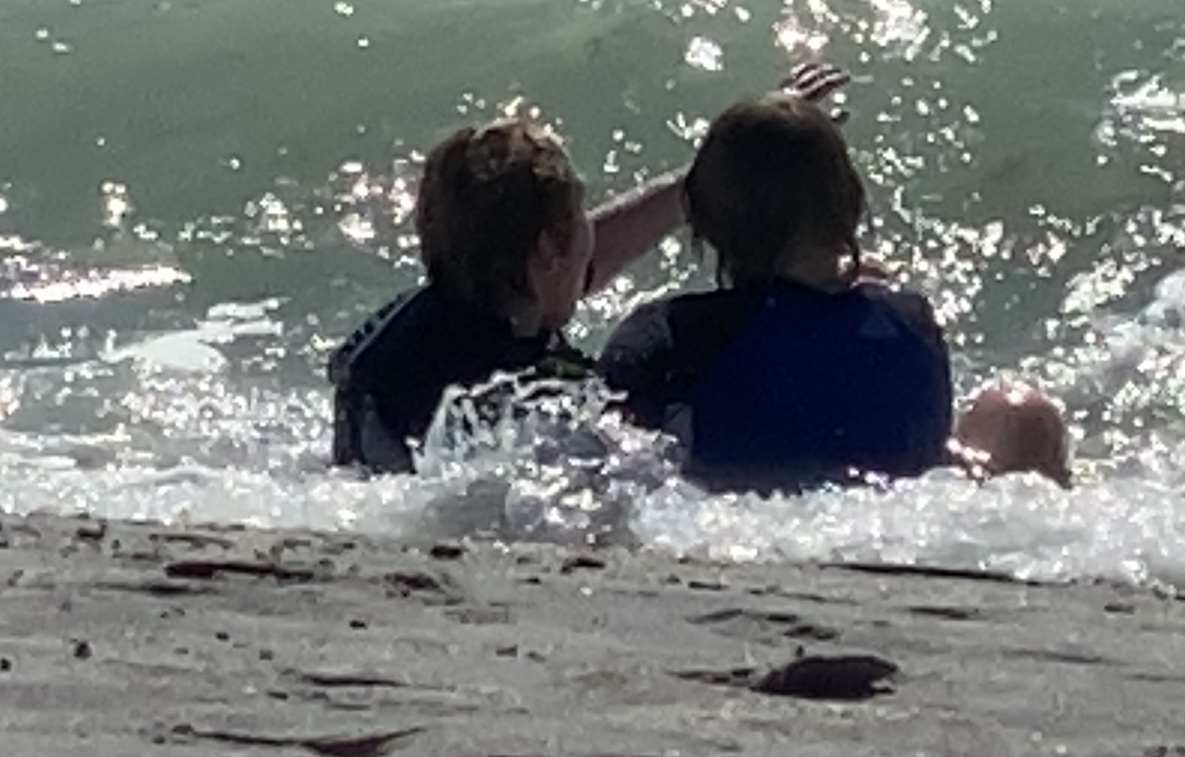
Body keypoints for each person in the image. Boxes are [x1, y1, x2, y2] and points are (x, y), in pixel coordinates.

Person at [328, 67, 839, 474]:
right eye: (579, 222)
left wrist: (727, 168)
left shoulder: (416, 326)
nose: (590, 238)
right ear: (549, 249)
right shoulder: (537, 391)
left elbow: (574, 264)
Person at [597, 92, 1070, 492]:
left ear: (703, 221)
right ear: (852, 203)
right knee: (1020, 414)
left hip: (727, 526)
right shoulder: (910, 322)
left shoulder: (666, 337)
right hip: (895, 525)